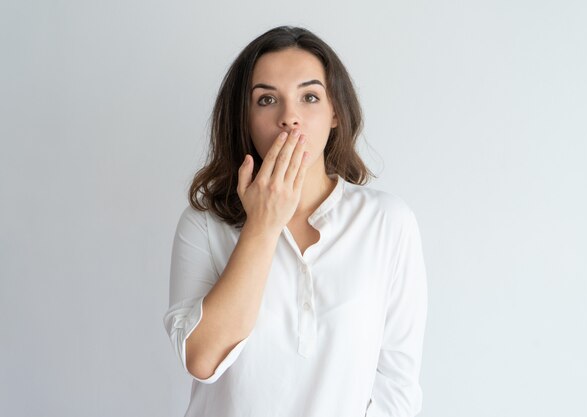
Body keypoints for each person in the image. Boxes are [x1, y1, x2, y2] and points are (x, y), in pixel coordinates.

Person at [163, 25, 428, 417]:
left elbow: (397, 385)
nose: (290, 118)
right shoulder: (205, 223)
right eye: (267, 99)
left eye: (309, 97)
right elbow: (201, 359)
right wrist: (262, 226)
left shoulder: (388, 222)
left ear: (335, 112)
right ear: (246, 118)